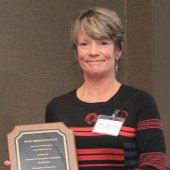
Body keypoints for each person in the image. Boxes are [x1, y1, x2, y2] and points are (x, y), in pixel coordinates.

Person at [4, 7, 167, 170]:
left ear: (118, 49)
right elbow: (54, 164)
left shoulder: (140, 102)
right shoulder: (57, 107)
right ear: (76, 52)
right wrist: (25, 165)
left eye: (103, 43)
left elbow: (155, 164)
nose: (93, 52)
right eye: (84, 44)